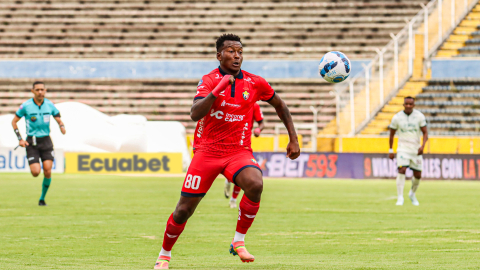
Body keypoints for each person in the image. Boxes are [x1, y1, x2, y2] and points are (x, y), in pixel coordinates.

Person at [153, 34, 300, 270]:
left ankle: (238, 241)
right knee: (183, 211)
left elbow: (280, 106)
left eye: (240, 51)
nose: (237, 55)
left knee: (255, 183)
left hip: (238, 151)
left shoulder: (255, 82)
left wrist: (293, 139)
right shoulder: (209, 80)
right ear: (219, 55)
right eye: (231, 51)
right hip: (207, 152)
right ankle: (164, 255)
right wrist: (218, 90)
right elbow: (195, 114)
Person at [11, 81, 66, 206]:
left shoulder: (49, 105)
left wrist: (61, 125)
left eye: (42, 89)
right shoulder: (26, 106)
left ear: (45, 90)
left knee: (47, 170)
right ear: (33, 91)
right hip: (32, 141)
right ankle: (35, 167)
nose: (40, 92)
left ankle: (42, 199)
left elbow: (57, 117)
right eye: (37, 90)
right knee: (36, 172)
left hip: (46, 140)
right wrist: (20, 139)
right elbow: (14, 122)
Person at [224, 102, 265, 208]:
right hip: (227, 142)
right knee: (231, 173)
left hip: (243, 144)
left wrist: (258, 129)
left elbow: (261, 123)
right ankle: (228, 181)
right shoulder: (231, 102)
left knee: (242, 173)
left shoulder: (254, 106)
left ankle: (233, 200)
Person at [388, 96, 428, 206]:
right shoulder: (397, 118)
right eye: (407, 104)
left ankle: (412, 193)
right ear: (404, 104)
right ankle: (400, 197)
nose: (409, 106)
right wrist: (391, 149)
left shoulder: (419, 116)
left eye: (411, 104)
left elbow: (425, 133)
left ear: (414, 105)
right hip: (402, 149)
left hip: (415, 149)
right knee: (402, 170)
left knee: (418, 175)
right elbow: (391, 134)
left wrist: (422, 146)